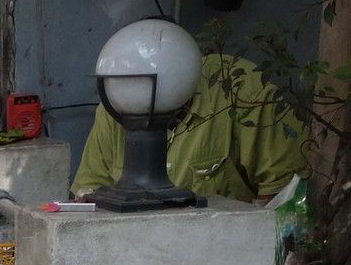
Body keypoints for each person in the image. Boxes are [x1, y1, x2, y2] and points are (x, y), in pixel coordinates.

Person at [72, 54, 306, 202]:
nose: (145, 101)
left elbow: (280, 191)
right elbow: (88, 191)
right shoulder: (116, 104)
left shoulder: (240, 88)